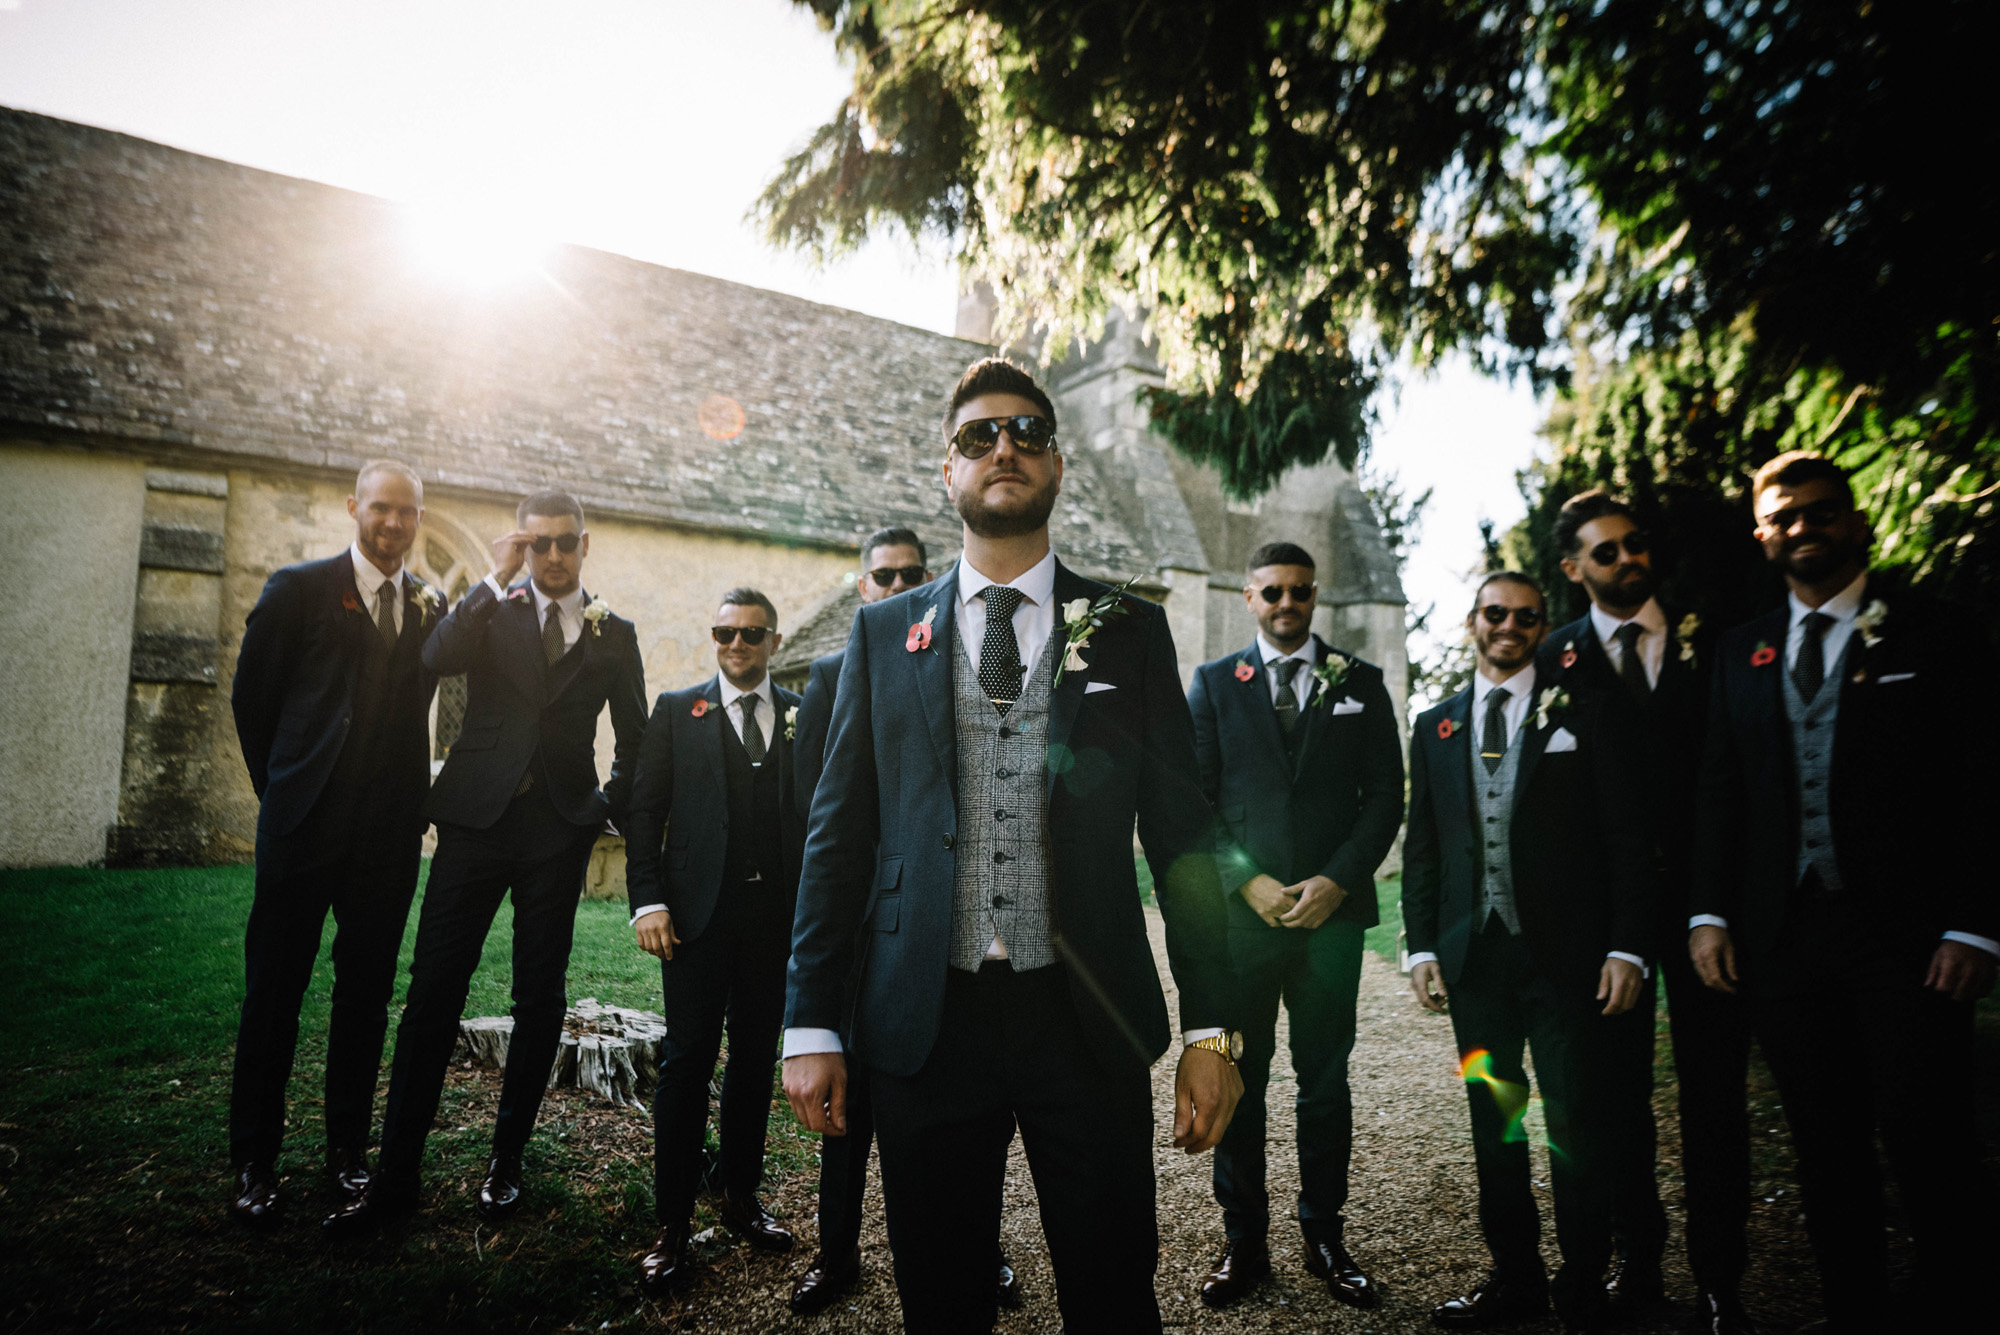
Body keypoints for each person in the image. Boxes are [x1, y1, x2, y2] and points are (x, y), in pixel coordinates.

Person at [781, 357, 1243, 1335]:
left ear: (1057, 463)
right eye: (978, 435)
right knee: (940, 1303)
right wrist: (810, 1024)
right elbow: (836, 843)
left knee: (1113, 1292)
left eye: (1026, 432)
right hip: (923, 1021)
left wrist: (1212, 1029)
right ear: (944, 470)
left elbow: (1182, 841)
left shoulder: (1128, 632)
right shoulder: (877, 637)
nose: (1003, 448)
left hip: (1083, 1019)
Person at [1690, 452, 1997, 1330]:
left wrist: (1975, 925)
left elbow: (1984, 783)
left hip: (1911, 939)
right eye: (1783, 517)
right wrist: (1709, 913)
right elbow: (1720, 790)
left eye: (1819, 511)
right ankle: (1853, 1309)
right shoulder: (1739, 649)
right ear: (1761, 534)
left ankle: (1962, 1304)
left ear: (1854, 519)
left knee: (1931, 1137)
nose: (1802, 528)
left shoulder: (1937, 632)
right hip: (1783, 939)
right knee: (1825, 1148)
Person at [324, 488, 647, 1235]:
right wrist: (495, 577)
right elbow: (437, 658)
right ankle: (395, 1175)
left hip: (556, 831)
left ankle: (505, 1164)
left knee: (540, 997)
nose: (555, 556)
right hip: (473, 821)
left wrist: (602, 805)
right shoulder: (491, 609)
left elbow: (637, 739)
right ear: (524, 546)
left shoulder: (612, 634)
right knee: (434, 987)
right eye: (540, 544)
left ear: (585, 544)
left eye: (566, 542)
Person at [1403, 572, 1653, 1335]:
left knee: (1576, 1125)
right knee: (1498, 1124)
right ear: (1471, 620)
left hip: (1567, 962)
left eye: (1526, 616)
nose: (1509, 626)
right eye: (1495, 613)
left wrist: (1628, 945)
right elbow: (1425, 848)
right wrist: (1419, 947)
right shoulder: (1436, 723)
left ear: (1544, 626)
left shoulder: (1583, 711)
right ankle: (1515, 1278)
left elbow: (1626, 834)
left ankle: (1582, 1289)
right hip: (1476, 962)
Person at [789, 530, 1027, 1315]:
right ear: (863, 586)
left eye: (908, 574)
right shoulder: (836, 669)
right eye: (880, 575)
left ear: (926, 577)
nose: (894, 584)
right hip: (863, 926)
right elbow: (826, 813)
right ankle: (837, 1251)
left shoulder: (963, 645)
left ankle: (979, 1251)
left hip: (936, 934)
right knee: (848, 1120)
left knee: (957, 1131)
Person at [1540, 491, 1751, 1334]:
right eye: (1606, 552)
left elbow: (1735, 773)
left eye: (1635, 546)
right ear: (1573, 568)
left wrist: (1717, 901)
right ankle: (1638, 1256)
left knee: (1713, 1095)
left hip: (1710, 908)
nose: (1627, 560)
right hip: (1602, 924)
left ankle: (1720, 1278)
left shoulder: (1719, 641)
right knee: (1613, 1097)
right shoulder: (1552, 659)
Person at [1185, 541, 1403, 1310]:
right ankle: (1243, 1240)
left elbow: (1385, 798)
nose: (1287, 604)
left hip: (1331, 923)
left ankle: (1324, 1234)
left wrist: (1337, 881)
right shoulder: (1212, 684)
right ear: (1248, 595)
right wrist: (1246, 881)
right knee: (1241, 1079)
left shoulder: (1360, 683)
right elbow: (1195, 798)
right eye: (1272, 591)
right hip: (1244, 924)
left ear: (1316, 597)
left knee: (1325, 1081)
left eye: (1300, 593)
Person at [225, 459, 441, 1223]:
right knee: (274, 995)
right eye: (381, 508)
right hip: (303, 829)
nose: (392, 523)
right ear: (355, 507)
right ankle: (253, 1159)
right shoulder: (298, 589)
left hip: (386, 841)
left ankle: (346, 1153)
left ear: (419, 519)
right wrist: (284, 789)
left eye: (406, 512)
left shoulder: (428, 603)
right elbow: (253, 701)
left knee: (365, 999)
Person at [626, 588, 806, 1296]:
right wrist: (649, 899)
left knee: (755, 1057)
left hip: (775, 922)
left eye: (750, 633)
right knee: (687, 1060)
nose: (736, 644)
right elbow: (645, 811)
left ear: (774, 639)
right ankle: (671, 1223)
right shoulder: (678, 711)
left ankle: (740, 1193)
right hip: (695, 921)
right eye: (724, 632)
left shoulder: (801, 712)